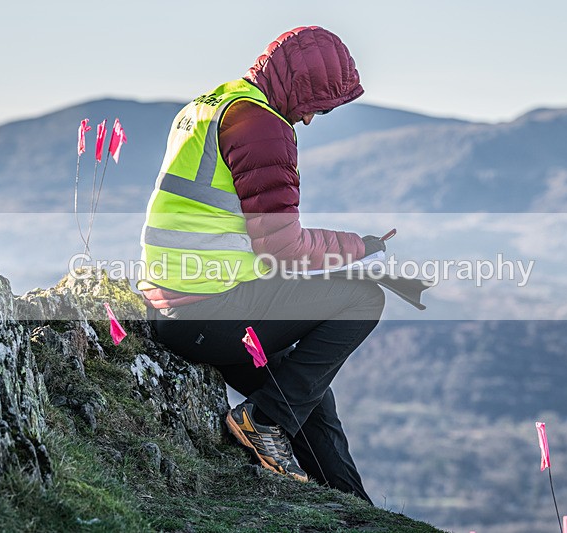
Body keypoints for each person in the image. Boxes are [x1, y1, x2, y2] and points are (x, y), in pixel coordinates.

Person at [139, 26, 385, 503]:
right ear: (298, 86)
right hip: (209, 310)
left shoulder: (208, 105)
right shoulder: (262, 125)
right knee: (363, 299)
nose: (310, 119)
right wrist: (356, 247)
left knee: (308, 394)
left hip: (178, 308)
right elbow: (283, 248)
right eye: (316, 106)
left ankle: (358, 512)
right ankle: (262, 420)